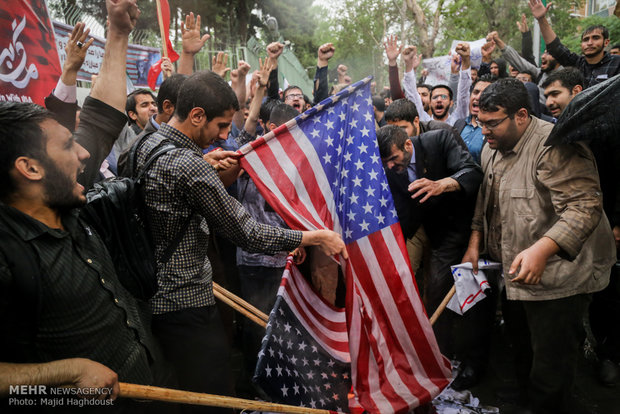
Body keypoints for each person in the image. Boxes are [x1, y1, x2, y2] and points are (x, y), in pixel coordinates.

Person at [134, 69, 347, 412]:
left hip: (149, 295)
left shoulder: (148, 143)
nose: (223, 136)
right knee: (211, 393)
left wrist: (205, 161)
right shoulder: (188, 165)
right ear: (196, 115)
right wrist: (313, 237)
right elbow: (248, 232)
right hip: (185, 303)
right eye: (220, 126)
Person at [0, 0, 168, 409]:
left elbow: (102, 118)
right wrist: (64, 373)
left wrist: (118, 33)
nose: (85, 154)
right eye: (67, 145)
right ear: (30, 168)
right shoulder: (7, 255)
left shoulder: (66, 197)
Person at [462, 78, 615, 413]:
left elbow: (584, 205)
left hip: (562, 277)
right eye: (480, 122)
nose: (483, 132)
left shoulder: (555, 145)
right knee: (521, 345)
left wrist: (542, 249)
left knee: (552, 364)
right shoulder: (491, 147)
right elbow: (486, 200)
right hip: (517, 275)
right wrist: (475, 241)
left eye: (492, 124)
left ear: (520, 115)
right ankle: (524, 399)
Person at [377, 123, 484, 387]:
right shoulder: (391, 169)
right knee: (437, 294)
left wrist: (442, 185)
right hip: (438, 236)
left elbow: (473, 173)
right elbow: (401, 208)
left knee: (472, 299)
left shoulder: (440, 140)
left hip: (469, 228)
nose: (391, 166)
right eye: (386, 162)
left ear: (408, 146)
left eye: (394, 159)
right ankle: (440, 359)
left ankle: (473, 364)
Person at [529, 0, 620, 89]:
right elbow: (555, 48)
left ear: (606, 42)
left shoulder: (617, 63)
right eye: (586, 39)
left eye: (596, 38)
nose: (589, 43)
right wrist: (541, 19)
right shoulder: (577, 63)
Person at [453, 75, 495, 163]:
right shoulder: (459, 124)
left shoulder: (495, 130)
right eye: (476, 92)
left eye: (484, 94)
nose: (478, 97)